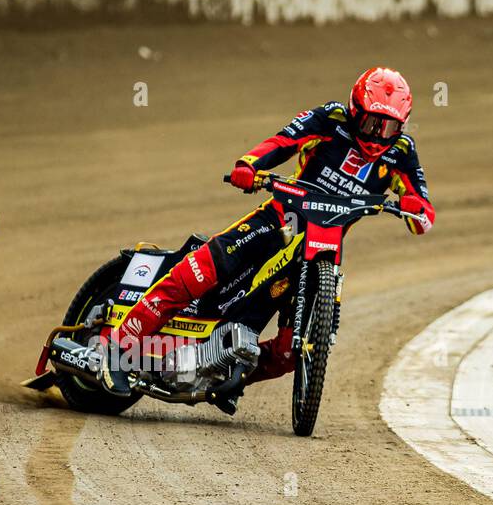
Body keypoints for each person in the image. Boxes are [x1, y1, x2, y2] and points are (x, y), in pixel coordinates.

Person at [101, 66, 434, 397]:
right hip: (278, 221)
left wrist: (417, 211)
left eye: (388, 126)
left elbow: (423, 208)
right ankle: (115, 350)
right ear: (354, 110)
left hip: (320, 251)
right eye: (371, 122)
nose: (377, 134)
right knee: (197, 272)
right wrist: (249, 165)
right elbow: (284, 141)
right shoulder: (331, 119)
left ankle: (222, 375)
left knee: (291, 352)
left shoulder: (402, 151)